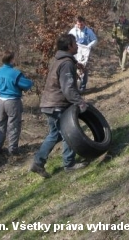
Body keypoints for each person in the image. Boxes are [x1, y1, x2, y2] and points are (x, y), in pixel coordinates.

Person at [30, 34, 89, 178]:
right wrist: (80, 102)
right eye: (75, 43)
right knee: (69, 133)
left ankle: (38, 163)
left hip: (48, 103)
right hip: (57, 104)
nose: (77, 46)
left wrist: (77, 64)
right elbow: (68, 88)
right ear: (69, 46)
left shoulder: (61, 60)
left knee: (55, 134)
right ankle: (69, 164)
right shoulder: (66, 64)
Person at [0, 51, 33, 156]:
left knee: (0, 124)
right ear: (11, 60)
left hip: (0, 100)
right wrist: (30, 81)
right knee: (13, 125)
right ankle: (12, 150)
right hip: (12, 101)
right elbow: (27, 84)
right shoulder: (15, 73)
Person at [68, 16, 98, 91]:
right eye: (78, 24)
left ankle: (83, 87)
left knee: (84, 69)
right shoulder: (72, 31)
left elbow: (95, 40)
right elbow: (68, 41)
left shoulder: (88, 31)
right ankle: (75, 87)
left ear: (84, 23)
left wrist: (88, 46)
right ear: (76, 23)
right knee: (74, 69)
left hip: (85, 53)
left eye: (81, 24)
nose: (79, 26)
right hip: (75, 53)